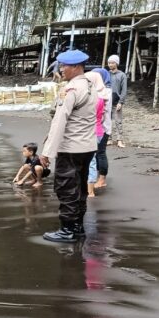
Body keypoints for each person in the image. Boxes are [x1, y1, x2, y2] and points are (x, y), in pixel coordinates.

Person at [39, 50, 98, 243]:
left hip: (70, 148)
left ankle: (67, 230)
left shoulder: (71, 90)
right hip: (87, 146)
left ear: (76, 67)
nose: (61, 70)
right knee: (80, 188)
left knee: (66, 188)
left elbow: (59, 122)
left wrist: (48, 151)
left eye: (64, 66)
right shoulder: (91, 86)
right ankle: (78, 226)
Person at [85, 71, 111, 198]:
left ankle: (90, 190)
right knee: (94, 158)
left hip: (90, 131)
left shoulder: (92, 98)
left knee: (90, 160)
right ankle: (90, 187)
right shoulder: (103, 96)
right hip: (99, 130)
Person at [92, 67, 112, 189]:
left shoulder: (105, 92)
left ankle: (102, 179)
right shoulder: (102, 90)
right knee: (96, 153)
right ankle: (98, 176)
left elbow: (102, 111)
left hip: (102, 127)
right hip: (99, 126)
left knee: (100, 153)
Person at [107, 55, 127, 148]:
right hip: (107, 101)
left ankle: (119, 140)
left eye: (112, 63)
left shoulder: (122, 75)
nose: (110, 64)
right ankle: (109, 139)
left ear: (116, 63)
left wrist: (121, 102)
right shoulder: (107, 74)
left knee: (118, 121)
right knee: (107, 121)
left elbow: (124, 90)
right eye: (109, 63)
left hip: (117, 101)